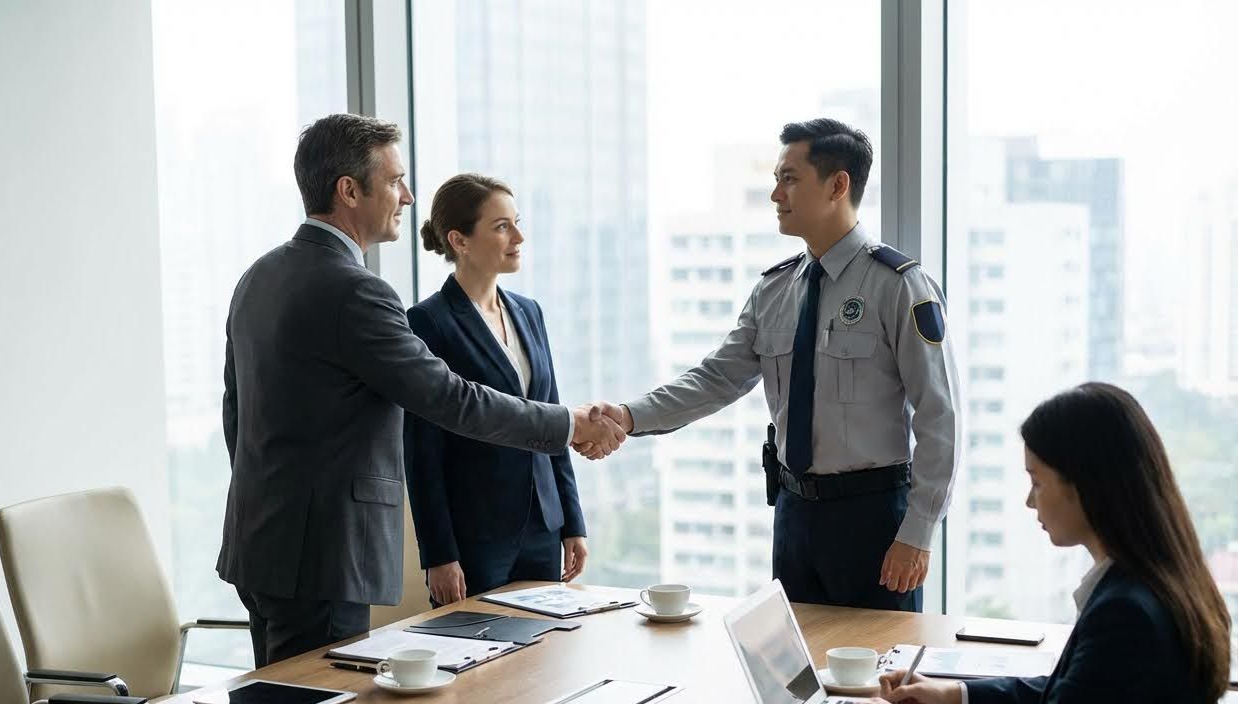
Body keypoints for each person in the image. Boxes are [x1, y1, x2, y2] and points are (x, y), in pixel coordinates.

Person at [216, 114, 624, 667]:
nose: (407, 196)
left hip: (261, 542)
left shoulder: (259, 276)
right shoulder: (357, 291)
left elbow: (236, 413)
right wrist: (568, 423)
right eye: (394, 181)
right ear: (349, 191)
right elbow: (450, 399)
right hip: (326, 555)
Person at [835, 383, 1228, 704]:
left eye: (1037, 481)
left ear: (1086, 486)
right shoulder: (1160, 580)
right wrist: (954, 695)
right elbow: (1078, 693)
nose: (1029, 501)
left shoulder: (1129, 613)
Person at [590, 118, 960, 612]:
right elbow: (717, 378)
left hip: (873, 519)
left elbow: (940, 417)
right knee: (795, 673)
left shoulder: (898, 285)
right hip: (793, 515)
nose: (775, 194)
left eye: (789, 178)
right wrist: (629, 417)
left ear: (837, 185)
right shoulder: (775, 289)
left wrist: (918, 532)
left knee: (878, 675)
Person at [405, 174, 588, 605]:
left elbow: (552, 419)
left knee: (543, 659)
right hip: (475, 535)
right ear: (460, 241)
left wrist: (572, 522)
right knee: (477, 661)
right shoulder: (428, 322)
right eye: (502, 226)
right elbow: (421, 449)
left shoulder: (529, 312)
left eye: (516, 222)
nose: (518, 236)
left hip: (543, 526)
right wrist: (439, 555)